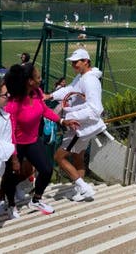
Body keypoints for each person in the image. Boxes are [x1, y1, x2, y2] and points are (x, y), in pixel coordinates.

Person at [2, 63, 79, 219]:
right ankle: (10, 204)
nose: (40, 79)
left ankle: (36, 200)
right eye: (37, 77)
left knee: (46, 169)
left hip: (32, 140)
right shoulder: (13, 104)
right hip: (16, 144)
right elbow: (10, 133)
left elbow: (44, 110)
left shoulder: (37, 92)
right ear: (29, 81)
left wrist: (62, 121)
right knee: (12, 175)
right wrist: (15, 157)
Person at [44, 48, 103, 202]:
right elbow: (69, 89)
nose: (74, 65)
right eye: (72, 63)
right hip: (80, 126)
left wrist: (71, 117)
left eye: (76, 62)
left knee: (59, 157)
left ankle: (84, 188)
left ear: (86, 62)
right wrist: (50, 95)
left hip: (80, 128)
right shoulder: (82, 77)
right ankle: (81, 190)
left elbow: (95, 109)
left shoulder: (90, 80)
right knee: (78, 157)